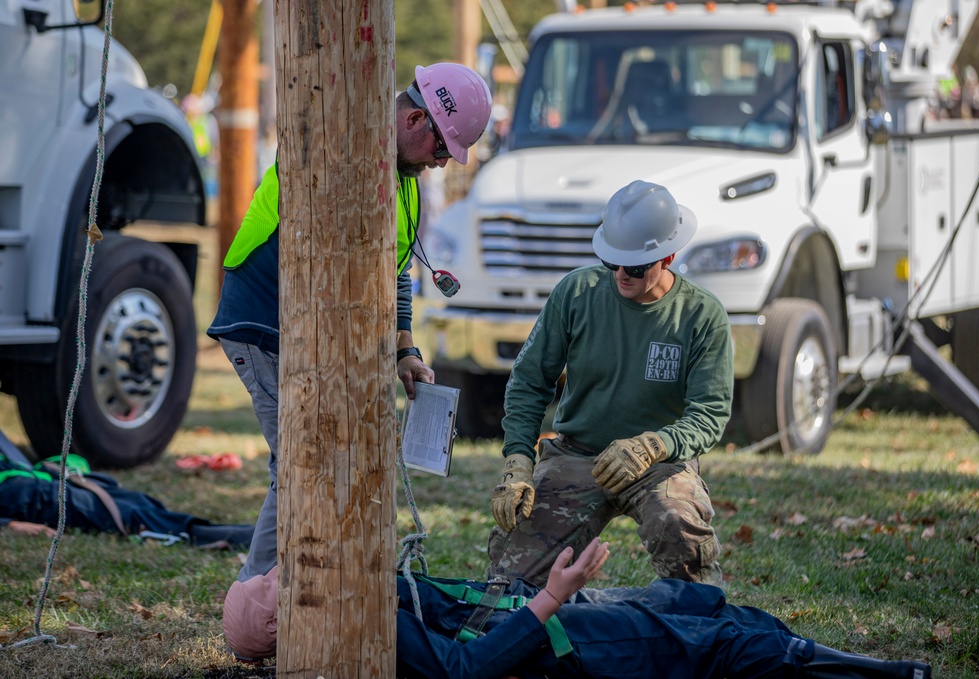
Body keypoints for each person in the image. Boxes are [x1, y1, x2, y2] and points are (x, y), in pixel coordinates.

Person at [207, 63, 492, 583]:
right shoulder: (335, 147)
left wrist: (405, 348)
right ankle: (257, 601)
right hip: (265, 321)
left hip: (315, 331)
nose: (443, 161)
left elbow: (396, 269)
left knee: (319, 460)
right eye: (443, 147)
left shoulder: (404, 181)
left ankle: (303, 589)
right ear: (414, 121)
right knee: (300, 463)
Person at [488, 179, 733, 587]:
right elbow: (530, 380)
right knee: (510, 574)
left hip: (659, 464)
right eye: (611, 262)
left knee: (682, 534)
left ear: (667, 255)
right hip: (576, 455)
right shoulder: (576, 293)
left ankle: (698, 633)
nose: (621, 274)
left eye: (635, 267)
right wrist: (517, 459)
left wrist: (654, 445)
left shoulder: (701, 316)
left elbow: (709, 414)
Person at [222, 538, 933, 679]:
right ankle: (882, 670)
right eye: (276, 583)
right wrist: (553, 595)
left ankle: (813, 653)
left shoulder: (349, 602)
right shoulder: (365, 633)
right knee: (714, 645)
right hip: (559, 643)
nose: (287, 570)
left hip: (546, 611)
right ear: (286, 619)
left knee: (695, 601)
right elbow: (467, 669)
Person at [0, 452, 254, 548]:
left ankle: (230, 533)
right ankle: (215, 537)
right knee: (130, 517)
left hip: (39, 477)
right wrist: (9, 524)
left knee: (140, 502)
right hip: (25, 496)